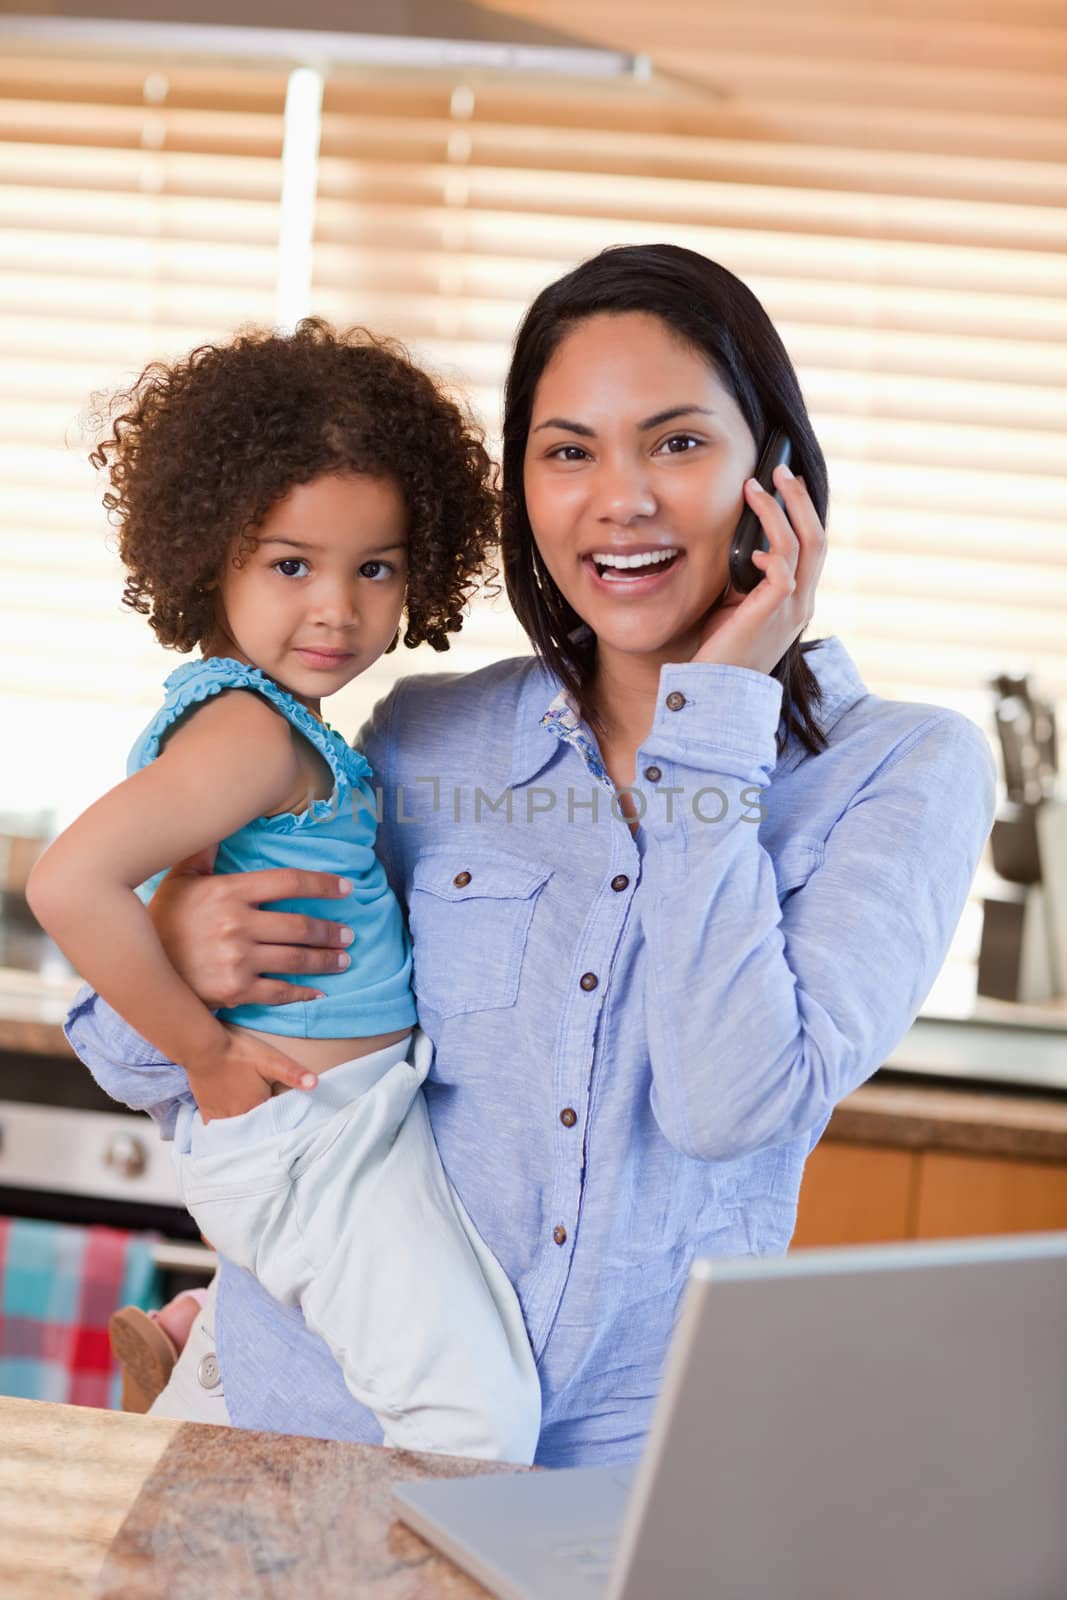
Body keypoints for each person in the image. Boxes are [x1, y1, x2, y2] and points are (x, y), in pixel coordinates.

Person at [63, 244, 996, 1467]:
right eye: (569, 452)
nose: (620, 499)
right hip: (293, 1436)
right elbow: (145, 1065)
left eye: (675, 442)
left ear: (772, 472)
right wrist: (183, 947)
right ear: (523, 493)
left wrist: (711, 722)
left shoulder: (899, 771)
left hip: (606, 1490)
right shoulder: (425, 735)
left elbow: (728, 1109)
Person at [28, 320, 541, 1463]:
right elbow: (70, 882)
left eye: (376, 568)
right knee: (480, 1428)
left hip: (341, 1120)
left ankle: (201, 1335)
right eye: (291, 564)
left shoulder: (262, 716)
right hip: (314, 1130)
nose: (339, 611)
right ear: (211, 551)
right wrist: (206, 1056)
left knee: (446, 1346)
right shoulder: (252, 733)